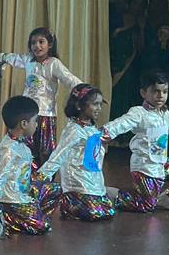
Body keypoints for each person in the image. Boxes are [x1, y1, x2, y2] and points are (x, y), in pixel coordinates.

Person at [102, 69, 169, 213]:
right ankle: (112, 194)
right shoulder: (138, 113)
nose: (161, 96)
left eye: (165, 91)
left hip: (162, 163)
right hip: (144, 166)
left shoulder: (163, 113)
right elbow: (121, 123)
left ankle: (165, 198)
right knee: (147, 205)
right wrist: (103, 133)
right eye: (156, 91)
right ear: (143, 93)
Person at [0, 27, 81, 168]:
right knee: (26, 148)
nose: (37, 46)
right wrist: (1, 58)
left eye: (41, 42)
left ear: (50, 44)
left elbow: (70, 79)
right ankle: (28, 176)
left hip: (45, 114)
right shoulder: (28, 60)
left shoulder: (53, 63)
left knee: (46, 150)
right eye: (33, 43)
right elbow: (13, 58)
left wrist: (85, 91)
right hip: (27, 114)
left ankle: (44, 178)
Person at [36, 83, 116, 221]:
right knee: (96, 213)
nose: (99, 108)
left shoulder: (92, 128)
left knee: (107, 210)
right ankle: (68, 202)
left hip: (92, 184)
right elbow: (58, 155)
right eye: (95, 104)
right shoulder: (74, 130)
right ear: (79, 106)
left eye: (100, 104)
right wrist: (40, 178)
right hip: (77, 186)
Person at [0, 96, 61, 238]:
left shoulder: (22, 145)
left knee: (55, 189)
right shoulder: (9, 150)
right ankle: (9, 218)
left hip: (25, 193)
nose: (37, 125)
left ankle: (30, 214)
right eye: (35, 121)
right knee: (42, 226)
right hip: (12, 200)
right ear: (24, 124)